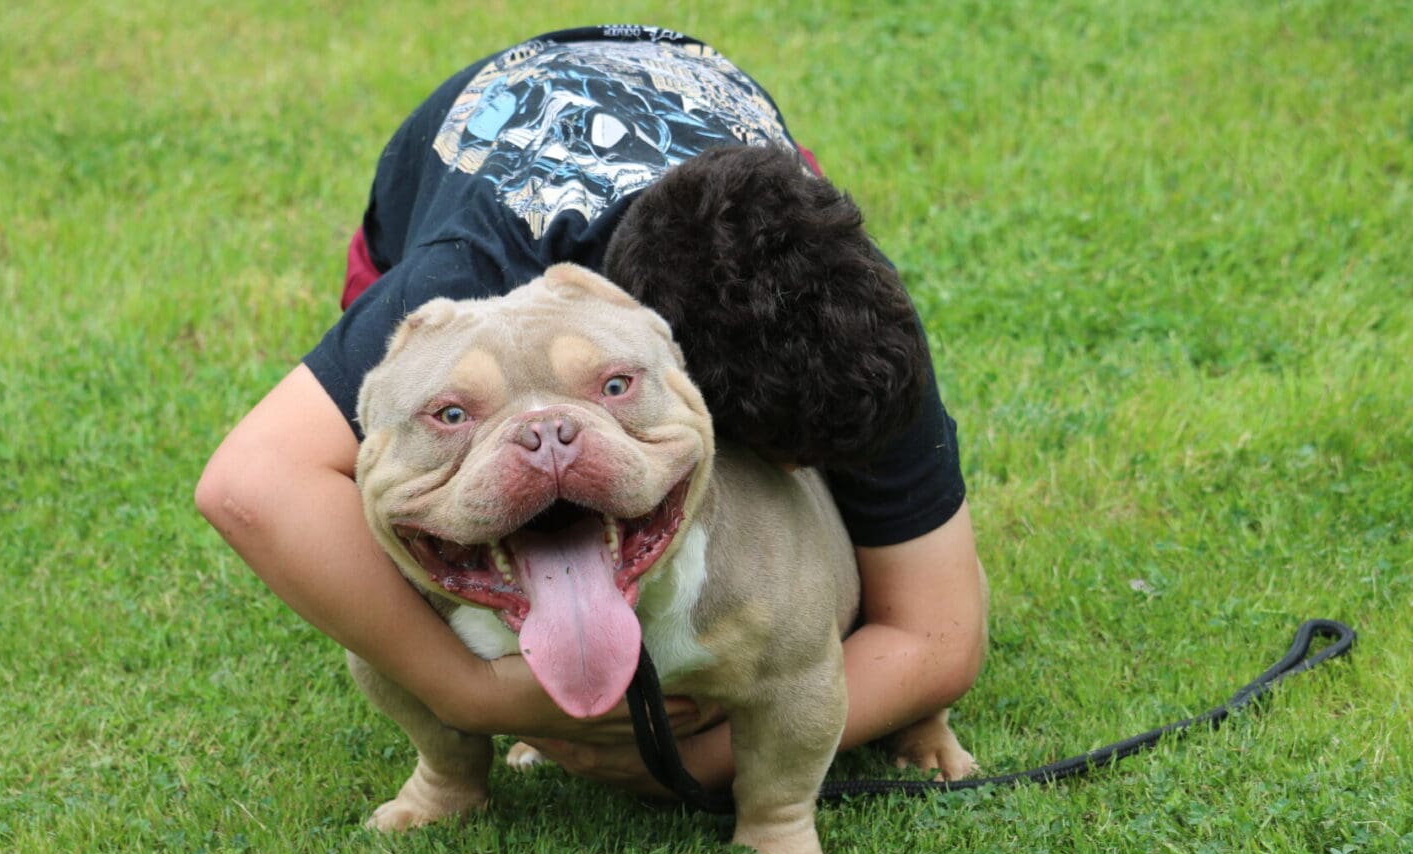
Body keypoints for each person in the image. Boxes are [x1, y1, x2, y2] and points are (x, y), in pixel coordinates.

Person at [195, 25, 986, 798]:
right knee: (419, 477)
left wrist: (698, 762)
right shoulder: (462, 275)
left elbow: (940, 639)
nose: (783, 475)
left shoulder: (846, 302)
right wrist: (469, 693)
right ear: (654, 357)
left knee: (803, 535)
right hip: (480, 148)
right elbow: (252, 485)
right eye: (768, 454)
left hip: (688, 97)